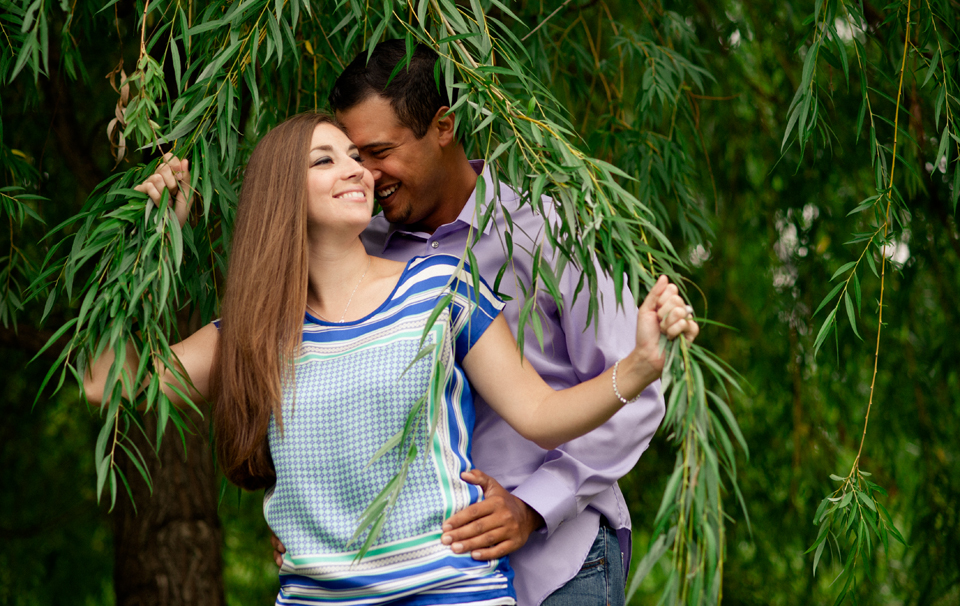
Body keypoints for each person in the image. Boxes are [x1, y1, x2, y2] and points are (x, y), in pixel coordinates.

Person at [85, 113, 698, 606]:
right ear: (280, 195)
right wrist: (152, 241)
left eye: (356, 156)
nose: (357, 171)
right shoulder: (252, 334)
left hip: (454, 594)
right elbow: (103, 383)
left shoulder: (441, 286)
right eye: (325, 160)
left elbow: (539, 412)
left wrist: (640, 366)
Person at [290, 39, 672, 606]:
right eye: (349, 157)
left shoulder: (551, 229)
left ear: (442, 126)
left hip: (558, 565)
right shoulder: (357, 252)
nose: (363, 175)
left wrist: (532, 506)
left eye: (377, 152)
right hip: (426, 578)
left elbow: (637, 393)